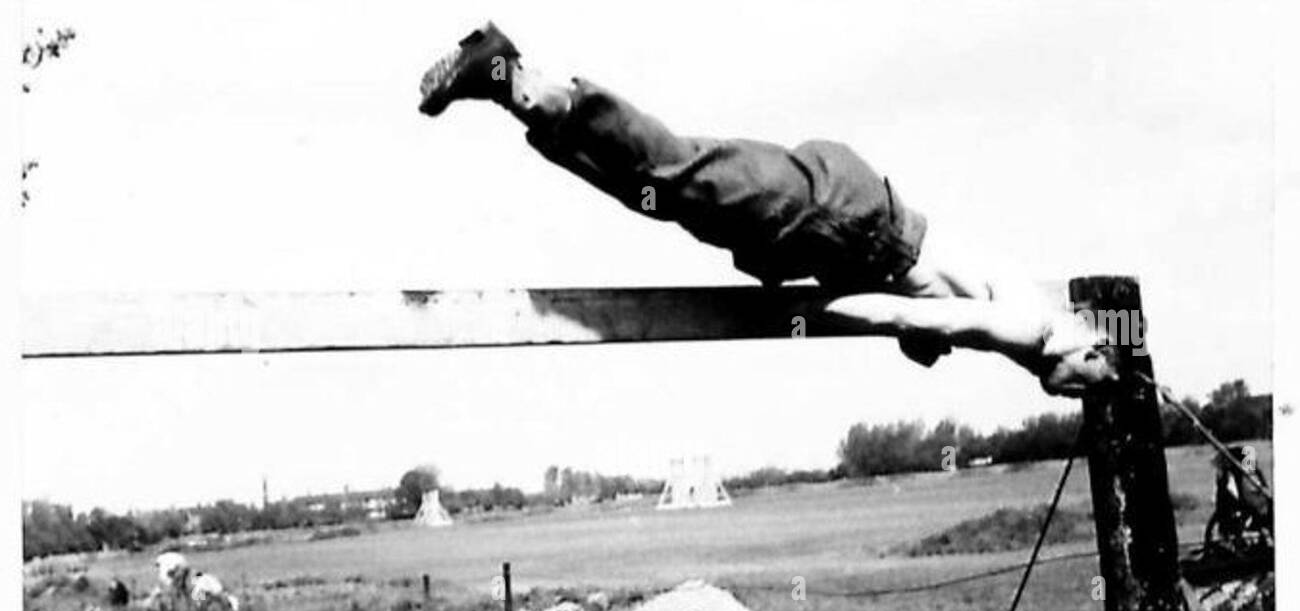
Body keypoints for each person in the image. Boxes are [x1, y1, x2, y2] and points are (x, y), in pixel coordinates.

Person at [417, 22, 1116, 395]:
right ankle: (513, 75)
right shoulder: (1028, 330)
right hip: (840, 221)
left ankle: (512, 94)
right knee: (676, 171)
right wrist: (828, 317)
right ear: (1083, 347)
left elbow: (932, 303)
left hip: (841, 219)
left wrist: (918, 338)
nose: (1069, 393)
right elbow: (908, 310)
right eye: (1083, 384)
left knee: (660, 194)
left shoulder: (1024, 306)